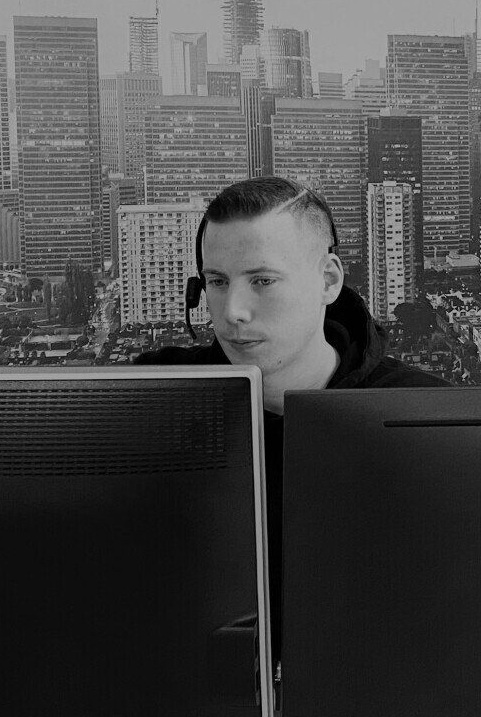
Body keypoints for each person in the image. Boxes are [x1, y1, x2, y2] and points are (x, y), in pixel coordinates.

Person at [137, 176, 446, 636]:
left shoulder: (427, 417)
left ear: (329, 281)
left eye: (262, 280)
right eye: (217, 282)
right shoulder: (150, 400)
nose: (233, 311)